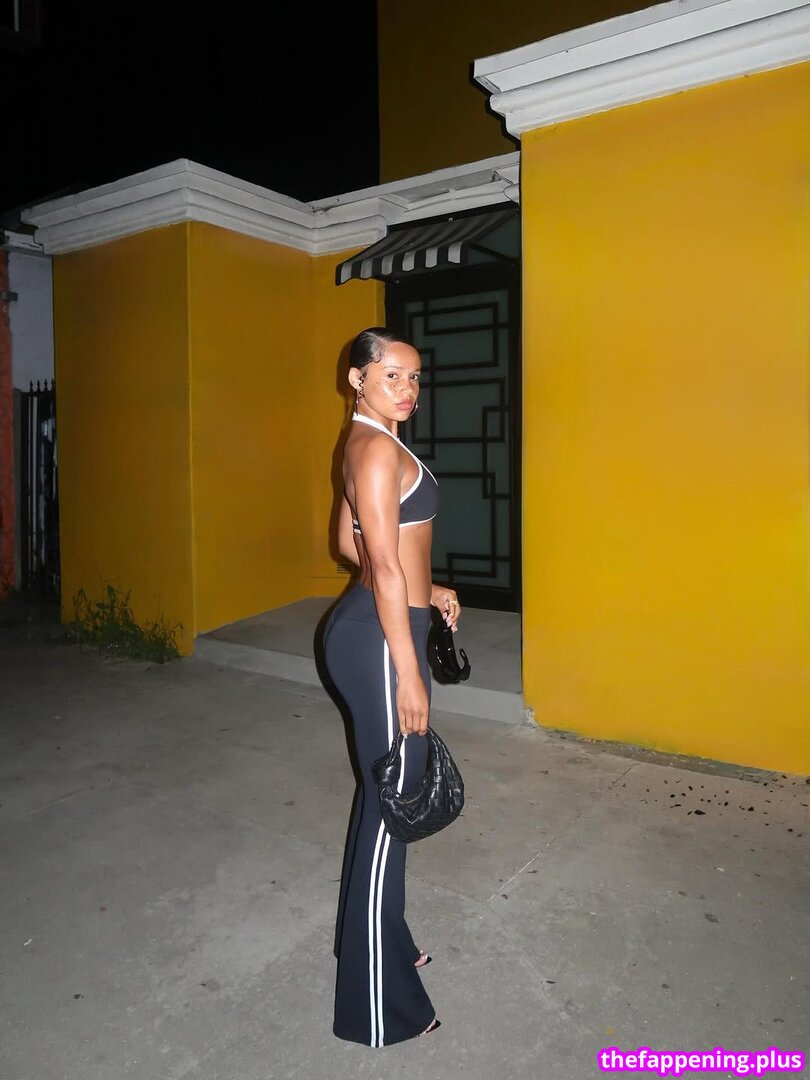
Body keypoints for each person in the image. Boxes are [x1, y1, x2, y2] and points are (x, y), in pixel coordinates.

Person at [323, 327, 461, 1047]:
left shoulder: (366, 442)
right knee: (394, 807)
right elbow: (376, 564)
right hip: (381, 641)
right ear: (358, 378)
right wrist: (409, 673)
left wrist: (425, 588)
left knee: (385, 797)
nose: (408, 389)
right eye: (392, 376)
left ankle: (384, 940)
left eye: (414, 377)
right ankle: (377, 1007)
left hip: (378, 625)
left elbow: (347, 542)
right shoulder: (376, 449)